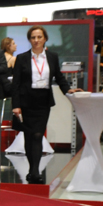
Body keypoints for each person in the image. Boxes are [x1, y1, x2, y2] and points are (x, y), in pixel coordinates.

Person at [10, 26, 72, 184]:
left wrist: (68, 91)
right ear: (29, 40)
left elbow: (59, 76)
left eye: (39, 37)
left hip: (43, 101)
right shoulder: (22, 58)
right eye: (33, 37)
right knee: (29, 136)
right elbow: (16, 84)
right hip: (26, 101)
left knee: (38, 135)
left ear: (45, 39)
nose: (36, 40)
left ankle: (34, 171)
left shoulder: (52, 56)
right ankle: (32, 169)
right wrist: (16, 105)